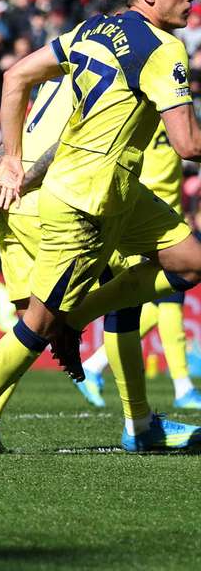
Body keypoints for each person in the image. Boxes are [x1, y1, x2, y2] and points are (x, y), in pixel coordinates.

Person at [0, 0, 201, 453]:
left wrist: (12, 158)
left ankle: (79, 321)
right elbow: (188, 145)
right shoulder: (165, 48)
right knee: (37, 321)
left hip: (120, 192)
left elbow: (15, 75)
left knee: (191, 262)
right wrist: (14, 162)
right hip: (84, 200)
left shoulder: (92, 30)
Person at [75, 119, 201, 410]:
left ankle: (94, 364)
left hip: (168, 216)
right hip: (144, 216)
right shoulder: (148, 112)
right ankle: (180, 388)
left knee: (159, 307)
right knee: (166, 302)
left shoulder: (174, 112)